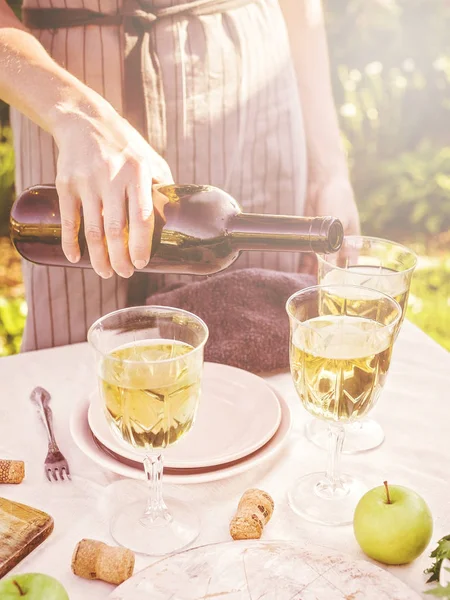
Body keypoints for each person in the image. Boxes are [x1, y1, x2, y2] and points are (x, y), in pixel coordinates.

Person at [0, 0, 360, 352]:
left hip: (252, 102)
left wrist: (329, 172)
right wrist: (75, 113)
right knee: (75, 380)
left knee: (260, 350)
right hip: (66, 110)